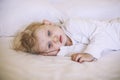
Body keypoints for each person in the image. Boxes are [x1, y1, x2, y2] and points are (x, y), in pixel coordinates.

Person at [13, 18, 120, 63]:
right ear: (46, 53)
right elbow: (78, 49)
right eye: (49, 45)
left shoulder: (72, 25)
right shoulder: (64, 49)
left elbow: (103, 34)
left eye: (49, 33)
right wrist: (59, 52)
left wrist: (90, 54)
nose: (54, 40)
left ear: (49, 23)